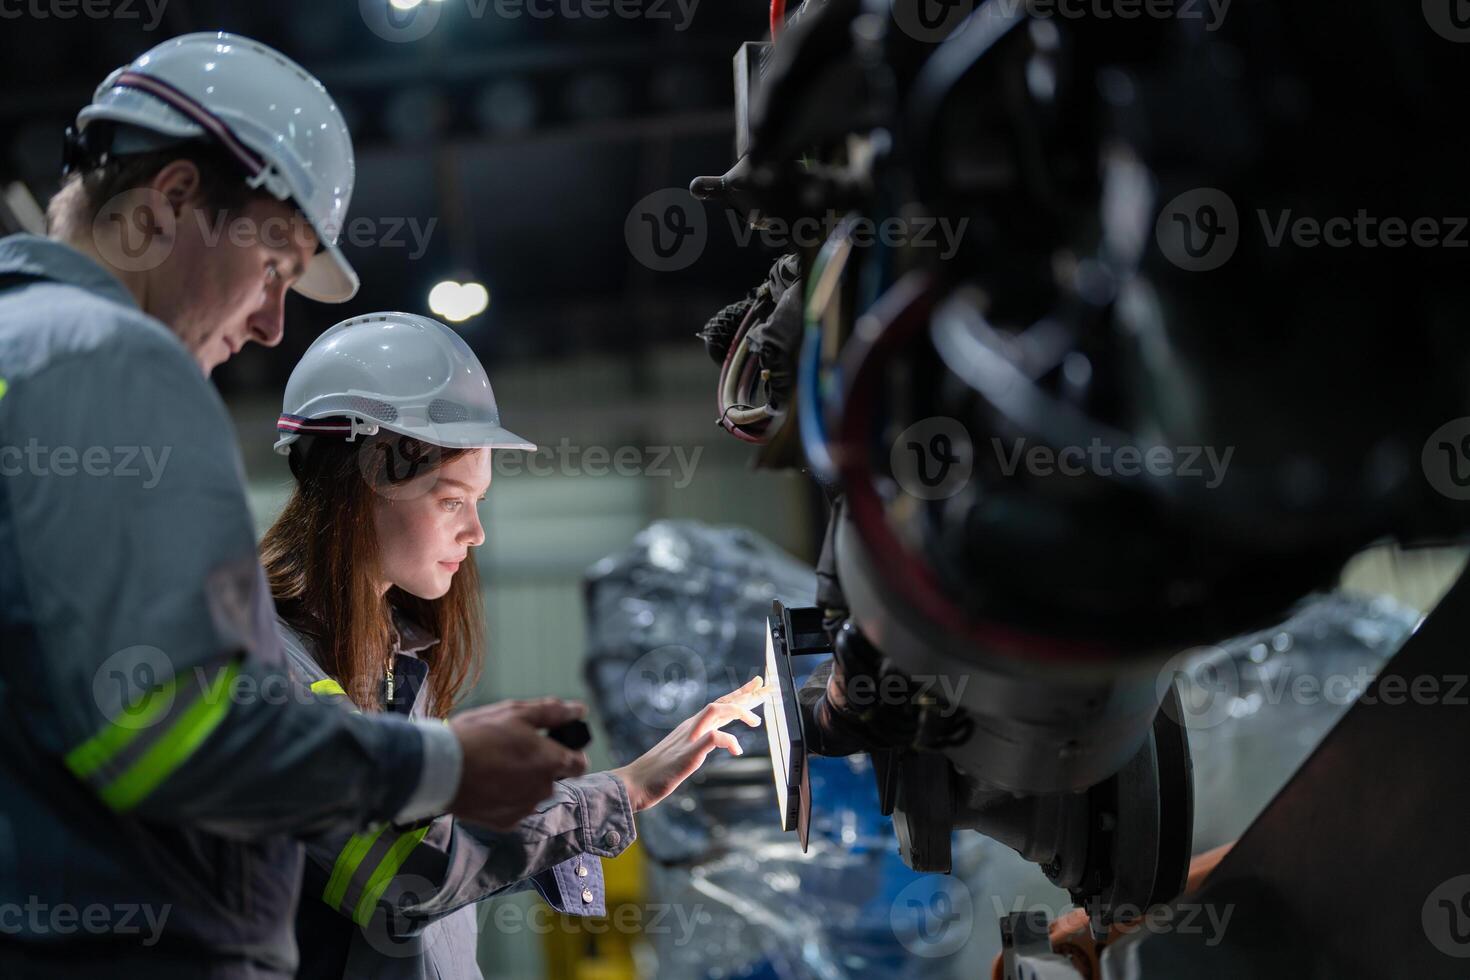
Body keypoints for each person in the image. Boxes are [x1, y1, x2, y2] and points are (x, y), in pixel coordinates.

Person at [0, 33, 587, 977]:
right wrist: (445, 765)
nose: (274, 321)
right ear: (173, 203)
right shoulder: (111, 360)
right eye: (275, 265)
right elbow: (165, 731)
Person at [261, 311, 767, 978]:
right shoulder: (271, 666)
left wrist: (546, 810)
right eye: (450, 500)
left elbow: (438, 855)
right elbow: (403, 870)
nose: (476, 533)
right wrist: (620, 792)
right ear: (370, 473)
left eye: (478, 501)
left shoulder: (389, 658)